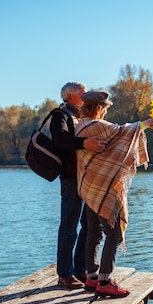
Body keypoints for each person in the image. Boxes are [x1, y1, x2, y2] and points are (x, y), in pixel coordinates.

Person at [75, 89, 153, 297]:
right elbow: (123, 132)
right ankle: (104, 280)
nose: (105, 113)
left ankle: (92, 277)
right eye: (104, 108)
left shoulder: (79, 126)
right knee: (114, 235)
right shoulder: (95, 125)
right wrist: (147, 123)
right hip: (104, 190)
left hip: (90, 189)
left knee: (93, 234)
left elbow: (111, 145)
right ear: (98, 108)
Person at [50, 82, 105, 290]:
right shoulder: (60, 114)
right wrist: (84, 144)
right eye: (84, 93)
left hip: (88, 176)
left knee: (89, 225)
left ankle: (82, 269)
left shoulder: (83, 116)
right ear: (71, 96)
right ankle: (64, 274)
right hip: (71, 177)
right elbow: (60, 140)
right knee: (69, 226)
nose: (87, 95)